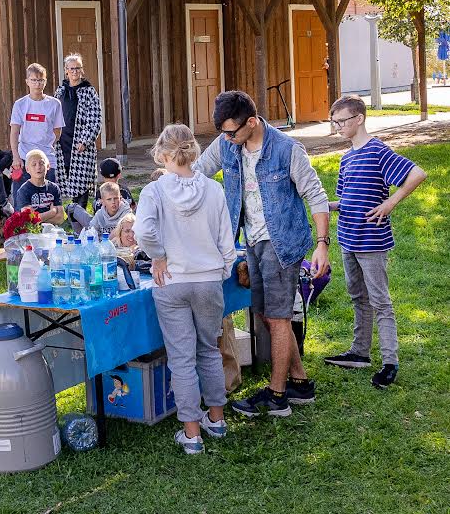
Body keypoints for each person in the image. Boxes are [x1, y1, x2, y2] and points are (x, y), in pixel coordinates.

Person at [192, 90, 331, 418]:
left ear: (251, 122)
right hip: (250, 241)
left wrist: (322, 243)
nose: (226, 139)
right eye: (223, 133)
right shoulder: (228, 143)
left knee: (278, 317)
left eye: (231, 132)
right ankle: (299, 382)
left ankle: (277, 395)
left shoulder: (286, 149)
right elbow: (197, 173)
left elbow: (316, 193)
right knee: (270, 316)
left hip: (282, 242)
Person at [134, 124, 237, 455]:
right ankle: (216, 419)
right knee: (209, 348)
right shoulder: (213, 189)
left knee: (181, 357)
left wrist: (159, 257)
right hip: (208, 279)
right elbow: (227, 239)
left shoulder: (155, 191)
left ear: (163, 154)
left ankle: (192, 433)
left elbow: (144, 231)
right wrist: (221, 268)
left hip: (172, 281)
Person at [322, 95, 427, 389]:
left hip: (372, 241)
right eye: (335, 122)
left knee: (381, 302)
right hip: (348, 239)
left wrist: (391, 203)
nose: (338, 126)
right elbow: (346, 200)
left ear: (359, 119)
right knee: (358, 299)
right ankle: (359, 353)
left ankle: (390, 363)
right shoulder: (346, 158)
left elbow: (418, 173)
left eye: (341, 121)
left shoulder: (378, 151)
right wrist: (322, 203)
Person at [9, 62, 64, 200]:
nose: (37, 84)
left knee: (47, 198)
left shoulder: (54, 104)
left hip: (47, 157)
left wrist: (46, 142)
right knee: (20, 199)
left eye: (40, 80)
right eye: (34, 80)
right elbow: (14, 131)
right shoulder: (20, 104)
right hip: (24, 157)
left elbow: (57, 131)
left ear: (45, 82)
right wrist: (15, 156)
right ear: (27, 81)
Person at [54, 54, 103, 209]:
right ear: (66, 71)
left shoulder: (89, 92)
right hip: (62, 142)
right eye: (71, 68)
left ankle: (78, 217)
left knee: (81, 183)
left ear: (82, 70)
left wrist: (85, 141)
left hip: (80, 144)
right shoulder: (60, 91)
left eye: (77, 68)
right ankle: (64, 215)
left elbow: (95, 120)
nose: (74, 71)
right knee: (64, 178)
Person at [14, 150, 87, 230]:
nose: (38, 167)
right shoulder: (24, 190)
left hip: (51, 232)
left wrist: (39, 219)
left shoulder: (54, 188)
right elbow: (29, 220)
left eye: (41, 163)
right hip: (30, 234)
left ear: (48, 166)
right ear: (27, 169)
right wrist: (52, 212)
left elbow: (60, 218)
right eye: (34, 164)